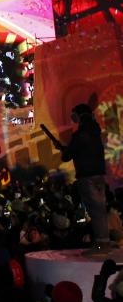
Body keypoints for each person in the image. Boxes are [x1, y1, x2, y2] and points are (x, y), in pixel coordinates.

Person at [44, 104, 110, 249]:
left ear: (79, 117)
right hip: (99, 174)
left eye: (74, 116)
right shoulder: (95, 132)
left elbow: (67, 156)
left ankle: (102, 243)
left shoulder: (80, 134)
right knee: (100, 209)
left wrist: (63, 150)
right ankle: (104, 240)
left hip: (87, 176)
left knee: (94, 209)